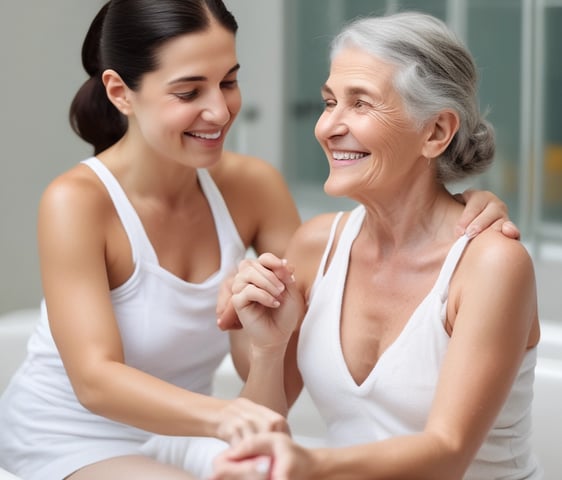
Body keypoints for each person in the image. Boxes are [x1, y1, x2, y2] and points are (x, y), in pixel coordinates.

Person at [0, 1, 517, 479]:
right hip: (75, 435)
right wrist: (236, 418)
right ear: (120, 92)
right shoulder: (76, 202)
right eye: (188, 92)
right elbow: (95, 380)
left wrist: (464, 206)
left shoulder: (251, 186)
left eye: (228, 82)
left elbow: (319, 305)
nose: (221, 112)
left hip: (190, 432)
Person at [212, 11, 542, 480]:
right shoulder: (315, 247)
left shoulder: (491, 264)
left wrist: (311, 462)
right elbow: (259, 437)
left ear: (435, 133)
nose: (328, 127)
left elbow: (447, 453)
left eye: (361, 104)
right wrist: (268, 348)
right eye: (329, 102)